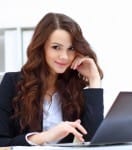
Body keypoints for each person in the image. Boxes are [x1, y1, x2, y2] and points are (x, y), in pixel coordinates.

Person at [0, 12, 104, 146]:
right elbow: (1, 143)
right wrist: (44, 137)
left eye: (71, 49)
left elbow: (93, 140)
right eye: (56, 47)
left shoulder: (74, 88)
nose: (64, 56)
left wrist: (94, 80)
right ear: (41, 47)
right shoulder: (12, 83)